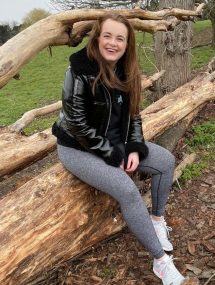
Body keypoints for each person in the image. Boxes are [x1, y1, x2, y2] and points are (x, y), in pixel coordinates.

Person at [52, 13, 185, 285]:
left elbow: (134, 115)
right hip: (77, 147)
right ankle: (161, 263)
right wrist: (113, 155)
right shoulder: (79, 69)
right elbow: (77, 124)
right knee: (128, 190)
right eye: (108, 36)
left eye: (120, 38)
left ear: (127, 43)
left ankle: (157, 220)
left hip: (115, 141)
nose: (113, 43)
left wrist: (134, 148)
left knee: (165, 162)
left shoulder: (127, 69)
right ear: (97, 38)